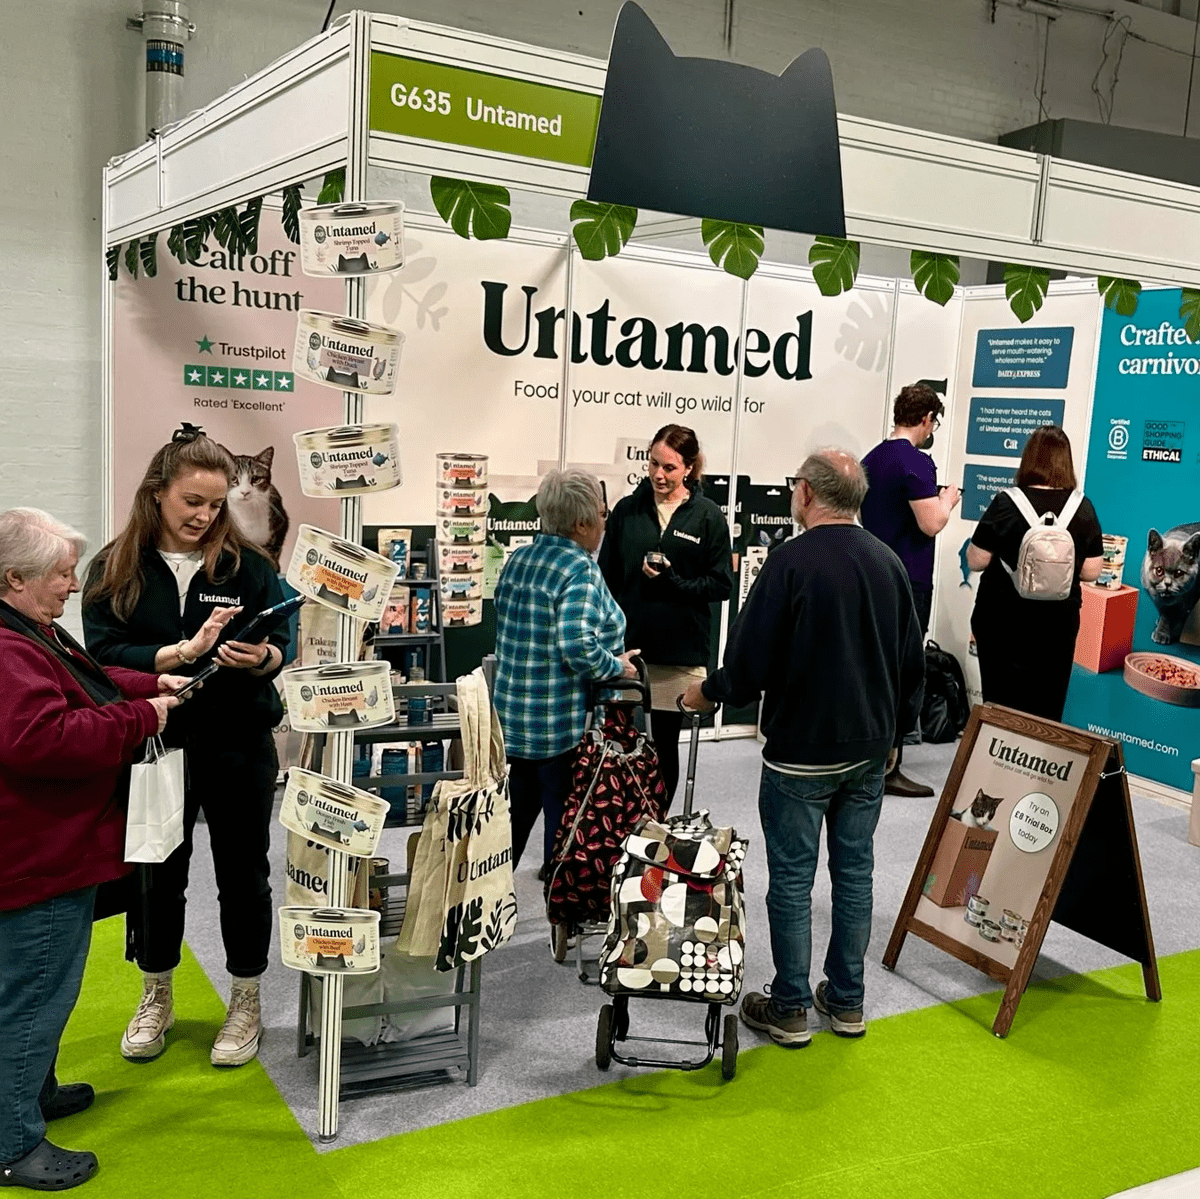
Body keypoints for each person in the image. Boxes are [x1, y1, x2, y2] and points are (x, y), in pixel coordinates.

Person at [683, 450, 923, 1048]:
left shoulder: (790, 562)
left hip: (799, 752)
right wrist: (896, 736)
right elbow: (910, 662)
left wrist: (707, 693)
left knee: (791, 880)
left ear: (807, 495)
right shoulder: (889, 561)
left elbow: (750, 658)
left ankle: (789, 1005)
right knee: (855, 875)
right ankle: (847, 1002)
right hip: (868, 750)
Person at [82, 427, 289, 1069]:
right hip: (154, 744)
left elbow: (282, 639)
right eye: (190, 502)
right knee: (156, 874)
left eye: (214, 504)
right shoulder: (114, 567)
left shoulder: (248, 566)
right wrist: (174, 656)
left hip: (238, 743)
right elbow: (102, 657)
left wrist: (263, 657)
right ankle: (157, 994)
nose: (203, 516)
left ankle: (246, 997)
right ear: (157, 493)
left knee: (243, 874)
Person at [0, 508, 182, 1191]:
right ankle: (12, 1142)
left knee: (36, 990)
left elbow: (88, 682)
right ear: (15, 579)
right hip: (39, 859)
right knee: (35, 996)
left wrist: (150, 686)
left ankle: (28, 1095)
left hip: (47, 852)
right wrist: (141, 716)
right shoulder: (11, 648)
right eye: (61, 572)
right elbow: (42, 738)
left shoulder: (31, 631)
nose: (74, 583)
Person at [493, 469, 639, 871]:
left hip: (512, 717)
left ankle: (487, 901)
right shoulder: (579, 570)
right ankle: (563, 910)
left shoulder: (519, 559)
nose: (604, 525)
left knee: (514, 817)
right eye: (601, 516)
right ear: (581, 523)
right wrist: (618, 667)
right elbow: (577, 645)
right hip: (558, 724)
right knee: (565, 823)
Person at [598, 425, 733, 805]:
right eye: (653, 464)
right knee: (620, 743)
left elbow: (720, 585)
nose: (659, 474)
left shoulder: (707, 517)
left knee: (665, 745)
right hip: (630, 650)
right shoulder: (627, 509)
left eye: (670, 468)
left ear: (689, 468)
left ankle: (654, 823)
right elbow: (605, 577)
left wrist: (674, 581)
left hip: (679, 652)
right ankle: (618, 823)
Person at [861, 383, 961, 798]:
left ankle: (867, 759)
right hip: (907, 579)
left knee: (873, 668)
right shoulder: (916, 462)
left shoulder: (872, 457)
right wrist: (948, 500)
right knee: (902, 672)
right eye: (934, 421)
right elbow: (930, 523)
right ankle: (890, 766)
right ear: (926, 420)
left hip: (871, 574)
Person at [967, 425, 1103, 722]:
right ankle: (1039, 763)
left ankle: (996, 763)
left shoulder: (1006, 502)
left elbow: (976, 560)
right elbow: (1092, 571)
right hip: (1057, 625)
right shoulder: (1082, 507)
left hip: (1002, 620)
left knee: (999, 705)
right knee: (1047, 708)